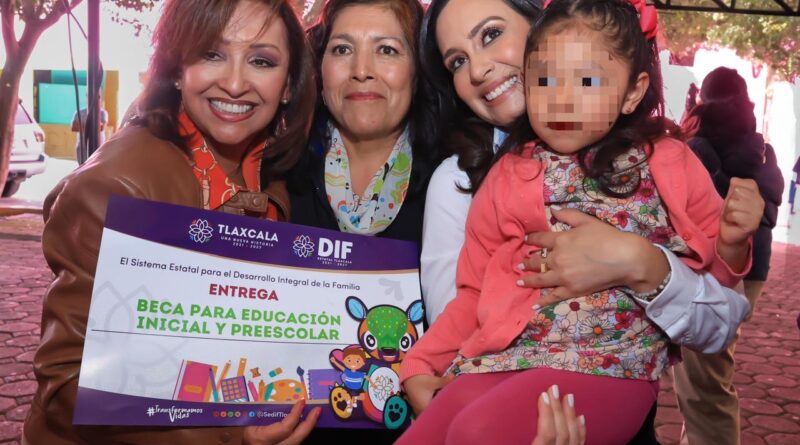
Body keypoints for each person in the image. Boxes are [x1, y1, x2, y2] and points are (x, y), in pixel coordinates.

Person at [397, 1, 763, 444]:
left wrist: (731, 241)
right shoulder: (506, 173)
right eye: (546, 81)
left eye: (586, 81)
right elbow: (472, 293)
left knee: (474, 432)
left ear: (632, 92)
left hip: (612, 365)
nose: (563, 99)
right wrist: (421, 363)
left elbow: (717, 290)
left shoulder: (666, 161)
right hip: (507, 357)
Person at [22, 1, 320, 444]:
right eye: (211, 54)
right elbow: (66, 386)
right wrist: (229, 433)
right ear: (178, 69)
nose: (235, 83)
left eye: (261, 61)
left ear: (289, 84)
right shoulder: (115, 187)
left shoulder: (273, 173)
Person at [287, 0, 438, 443]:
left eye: (387, 50)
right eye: (342, 50)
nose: (361, 71)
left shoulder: (459, 182)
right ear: (319, 68)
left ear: (418, 70)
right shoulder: (278, 173)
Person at [676, 66, 784, 445]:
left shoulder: (697, 147)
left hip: (712, 267)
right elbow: (770, 209)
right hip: (754, 270)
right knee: (710, 373)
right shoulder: (761, 149)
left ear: (704, 99)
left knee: (704, 387)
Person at [71, 92, 109, 165]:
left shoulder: (103, 113)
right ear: (86, 97)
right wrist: (92, 125)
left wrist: (82, 125)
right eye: (89, 96)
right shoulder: (79, 112)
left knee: (96, 167)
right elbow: (74, 128)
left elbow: (101, 128)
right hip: (82, 147)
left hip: (98, 147)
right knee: (82, 167)